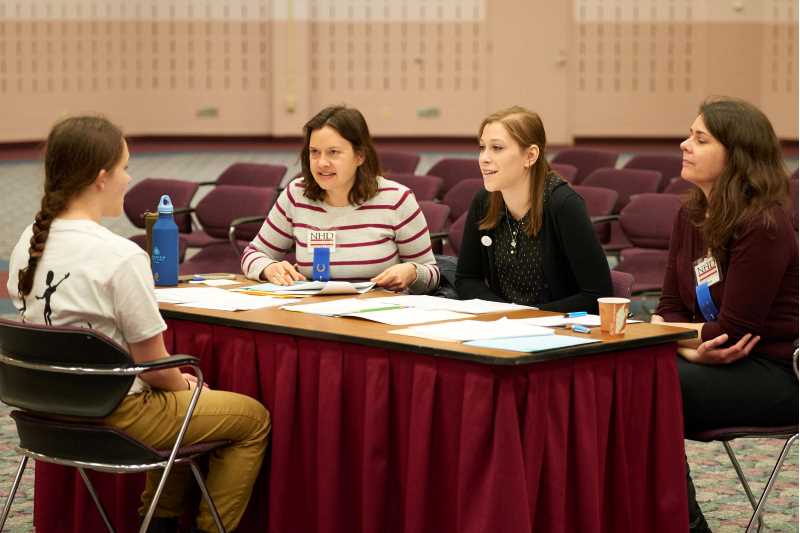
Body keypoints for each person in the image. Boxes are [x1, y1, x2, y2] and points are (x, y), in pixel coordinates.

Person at [7, 116, 270, 533]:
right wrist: (184, 381)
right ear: (101, 177)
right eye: (126, 167)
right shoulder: (121, 257)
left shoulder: (27, 241)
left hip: (43, 415)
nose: (129, 179)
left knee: (186, 411)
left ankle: (161, 523)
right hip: (115, 417)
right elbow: (157, 367)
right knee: (250, 418)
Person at [651, 98, 798, 532]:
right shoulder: (691, 212)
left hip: (775, 371)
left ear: (736, 155)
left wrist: (673, 337)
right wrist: (693, 351)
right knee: (631, 376)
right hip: (712, 360)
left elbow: (734, 333)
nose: (684, 144)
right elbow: (667, 309)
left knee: (648, 387)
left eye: (700, 139)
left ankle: (687, 526)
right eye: (689, 135)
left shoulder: (763, 223)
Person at [240, 105, 440, 293]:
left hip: (376, 315)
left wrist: (413, 272)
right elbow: (253, 254)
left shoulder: (396, 199)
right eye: (314, 152)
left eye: (333, 153)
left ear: (359, 156)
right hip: (311, 314)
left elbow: (432, 273)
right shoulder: (296, 195)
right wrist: (269, 267)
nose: (322, 163)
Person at [455, 106, 612, 312]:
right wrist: (504, 313)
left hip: (559, 331)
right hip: (503, 326)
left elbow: (597, 295)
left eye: (497, 148)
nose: (484, 158)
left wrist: (527, 317)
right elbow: (467, 279)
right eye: (482, 147)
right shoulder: (483, 201)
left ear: (530, 155)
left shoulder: (563, 204)